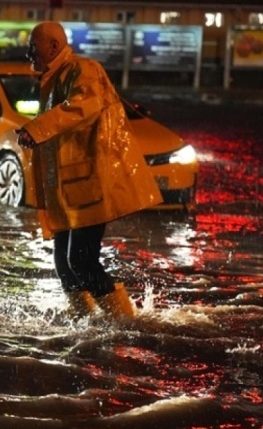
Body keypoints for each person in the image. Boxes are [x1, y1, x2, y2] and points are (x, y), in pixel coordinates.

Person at [16, 21, 163, 320]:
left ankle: (125, 323)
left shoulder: (83, 70)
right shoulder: (54, 78)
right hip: (69, 191)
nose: (28, 52)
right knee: (64, 263)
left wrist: (37, 128)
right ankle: (84, 321)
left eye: (34, 46)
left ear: (53, 47)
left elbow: (82, 107)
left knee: (80, 260)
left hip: (89, 186)